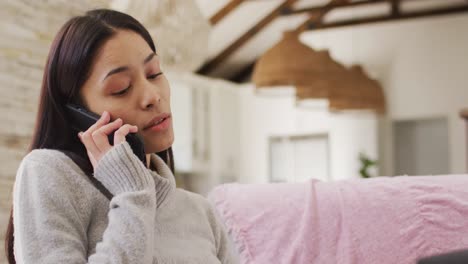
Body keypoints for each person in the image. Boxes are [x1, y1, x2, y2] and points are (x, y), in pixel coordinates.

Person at [4, 8, 238, 264]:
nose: (152, 96)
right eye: (121, 89)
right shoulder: (49, 172)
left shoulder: (201, 212)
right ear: (77, 113)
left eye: (154, 74)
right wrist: (133, 194)